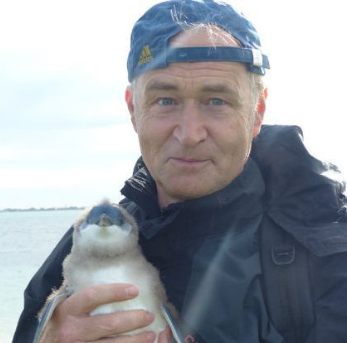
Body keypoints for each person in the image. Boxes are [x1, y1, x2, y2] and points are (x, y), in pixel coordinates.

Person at [13, 0, 347, 342]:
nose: (189, 134)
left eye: (216, 101)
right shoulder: (87, 245)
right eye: (165, 101)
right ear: (133, 109)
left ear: (256, 112)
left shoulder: (331, 253)